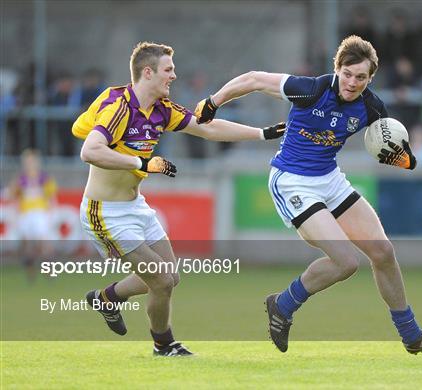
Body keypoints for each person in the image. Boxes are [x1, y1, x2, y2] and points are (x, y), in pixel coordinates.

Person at [195, 35, 422, 354]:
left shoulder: (372, 106)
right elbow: (253, 79)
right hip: (291, 181)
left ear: (370, 78)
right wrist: (213, 101)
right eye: (347, 74)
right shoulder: (312, 88)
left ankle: (412, 335)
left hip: (329, 180)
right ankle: (284, 304)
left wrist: (405, 157)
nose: (352, 82)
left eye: (361, 77)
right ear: (338, 69)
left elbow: (394, 140)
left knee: (383, 252)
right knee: (345, 262)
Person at [72, 42, 284, 357]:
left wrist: (261, 134)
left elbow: (208, 129)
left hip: (135, 206)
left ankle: (107, 298)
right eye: (168, 69)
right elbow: (89, 150)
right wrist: (141, 163)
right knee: (161, 279)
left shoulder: (161, 109)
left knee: (170, 276)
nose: (174, 75)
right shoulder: (120, 106)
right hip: (104, 213)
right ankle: (164, 345)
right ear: (148, 72)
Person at [5, 149, 57, 282]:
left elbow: (51, 197)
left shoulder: (44, 178)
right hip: (25, 213)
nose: (30, 164)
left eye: (32, 161)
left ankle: (49, 272)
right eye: (27, 162)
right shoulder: (21, 179)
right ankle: (31, 273)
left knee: (43, 244)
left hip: (40, 213)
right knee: (28, 245)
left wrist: (51, 213)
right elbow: (12, 194)